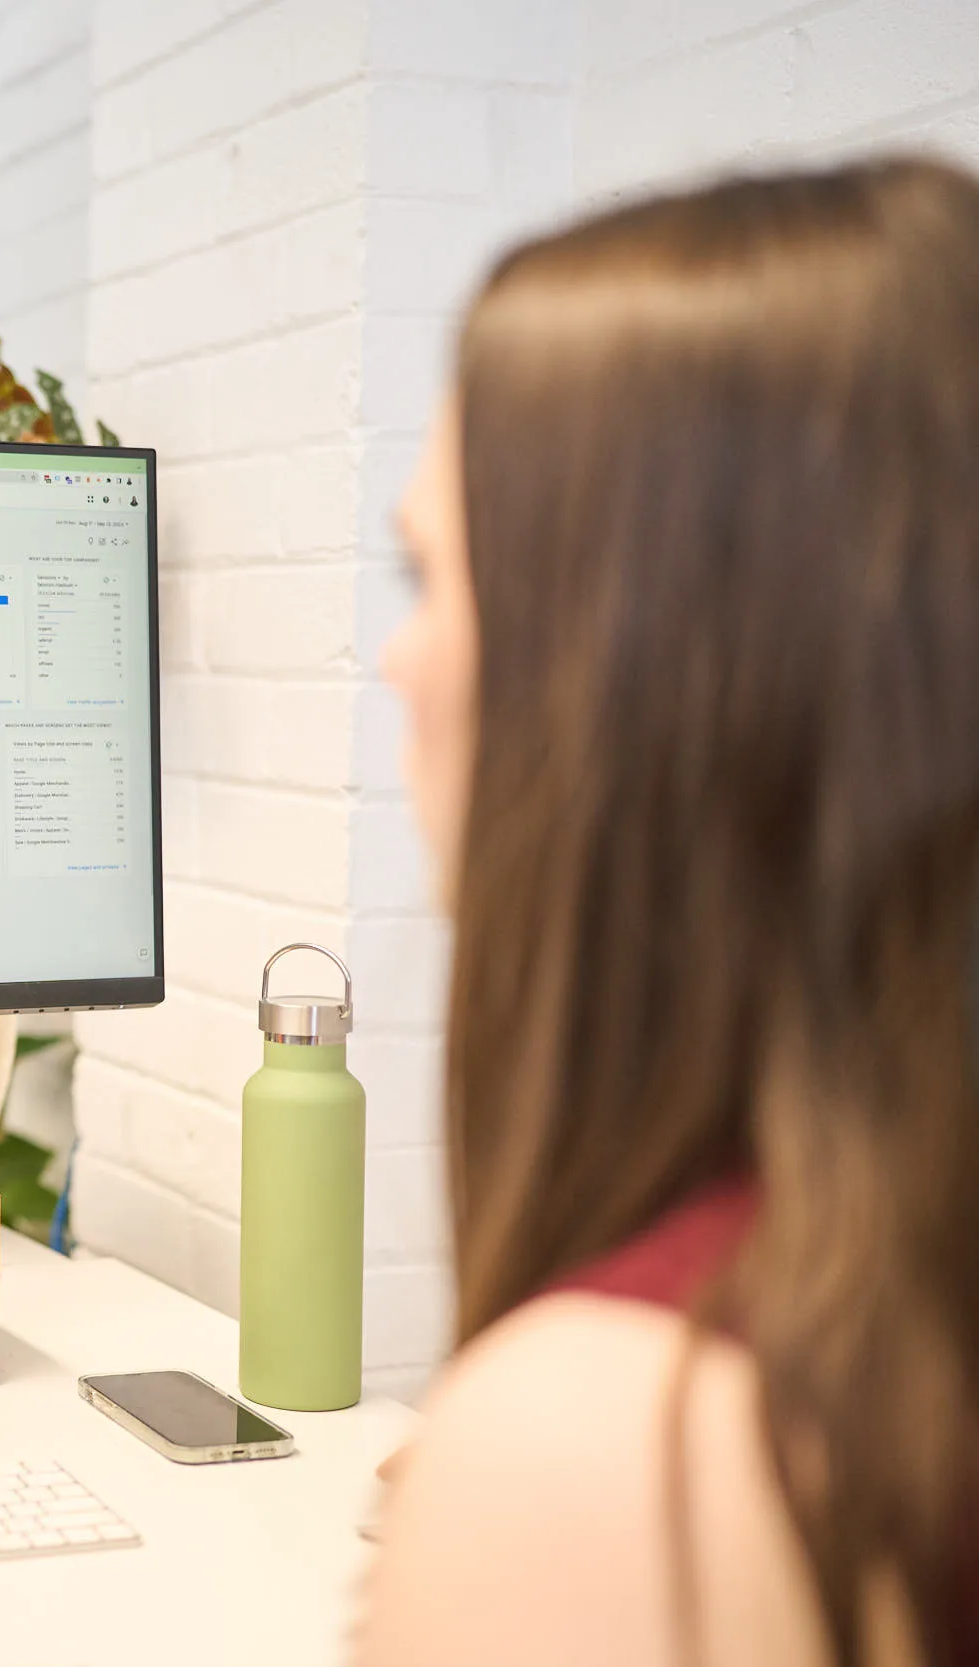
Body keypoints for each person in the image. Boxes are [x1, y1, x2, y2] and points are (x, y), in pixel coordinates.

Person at [362, 159, 979, 1666]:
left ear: (636, 659)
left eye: (436, 577)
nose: (403, 663)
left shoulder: (624, 1445)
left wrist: (538, 1498)